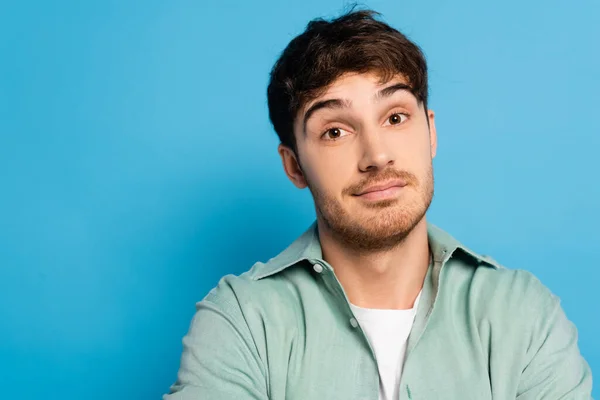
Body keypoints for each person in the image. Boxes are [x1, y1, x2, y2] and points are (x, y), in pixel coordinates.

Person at [163, 9, 593, 400]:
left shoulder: (523, 313)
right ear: (294, 166)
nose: (377, 155)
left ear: (430, 132)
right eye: (335, 131)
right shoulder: (240, 321)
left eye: (395, 117)